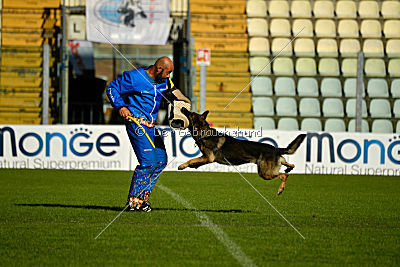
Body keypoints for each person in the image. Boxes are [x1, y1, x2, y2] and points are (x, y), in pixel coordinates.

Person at [106, 57, 190, 212]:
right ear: (159, 69)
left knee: (160, 160)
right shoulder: (135, 77)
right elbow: (112, 88)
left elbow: (172, 89)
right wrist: (120, 106)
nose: (168, 76)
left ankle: (141, 198)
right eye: (167, 72)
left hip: (151, 125)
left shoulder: (164, 80)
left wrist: (183, 101)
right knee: (148, 162)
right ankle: (133, 202)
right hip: (137, 123)